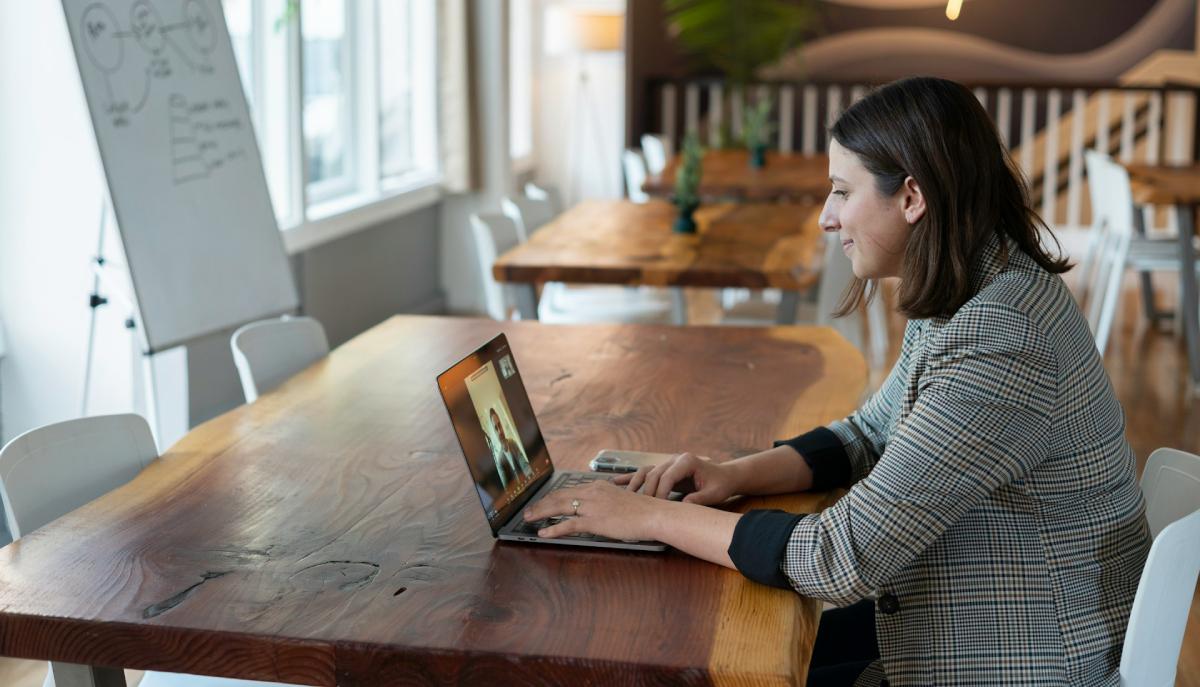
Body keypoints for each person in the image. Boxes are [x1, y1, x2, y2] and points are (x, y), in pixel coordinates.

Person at [523, 76, 1150, 686]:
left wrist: (645, 520)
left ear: (911, 197)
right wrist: (733, 474)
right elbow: (868, 434)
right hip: (965, 622)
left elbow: (839, 558)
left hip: (1024, 660)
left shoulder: (1006, 335)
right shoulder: (979, 288)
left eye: (841, 192)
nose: (827, 217)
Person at [490, 407, 533, 481]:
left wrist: (531, 475)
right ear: (494, 432)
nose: (500, 431)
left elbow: (523, 463)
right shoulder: (500, 461)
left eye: (499, 425)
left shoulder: (512, 443)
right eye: (496, 428)